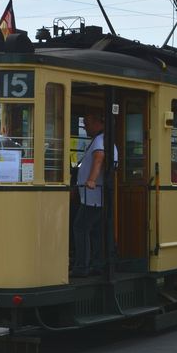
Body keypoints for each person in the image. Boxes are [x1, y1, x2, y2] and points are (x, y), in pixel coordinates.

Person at [73, 112, 111, 277]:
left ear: (98, 123)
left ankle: (82, 267)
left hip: (93, 196)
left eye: (87, 123)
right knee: (94, 231)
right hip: (93, 197)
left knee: (80, 228)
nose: (85, 127)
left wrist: (91, 180)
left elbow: (99, 157)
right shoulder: (100, 139)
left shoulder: (100, 141)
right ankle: (96, 264)